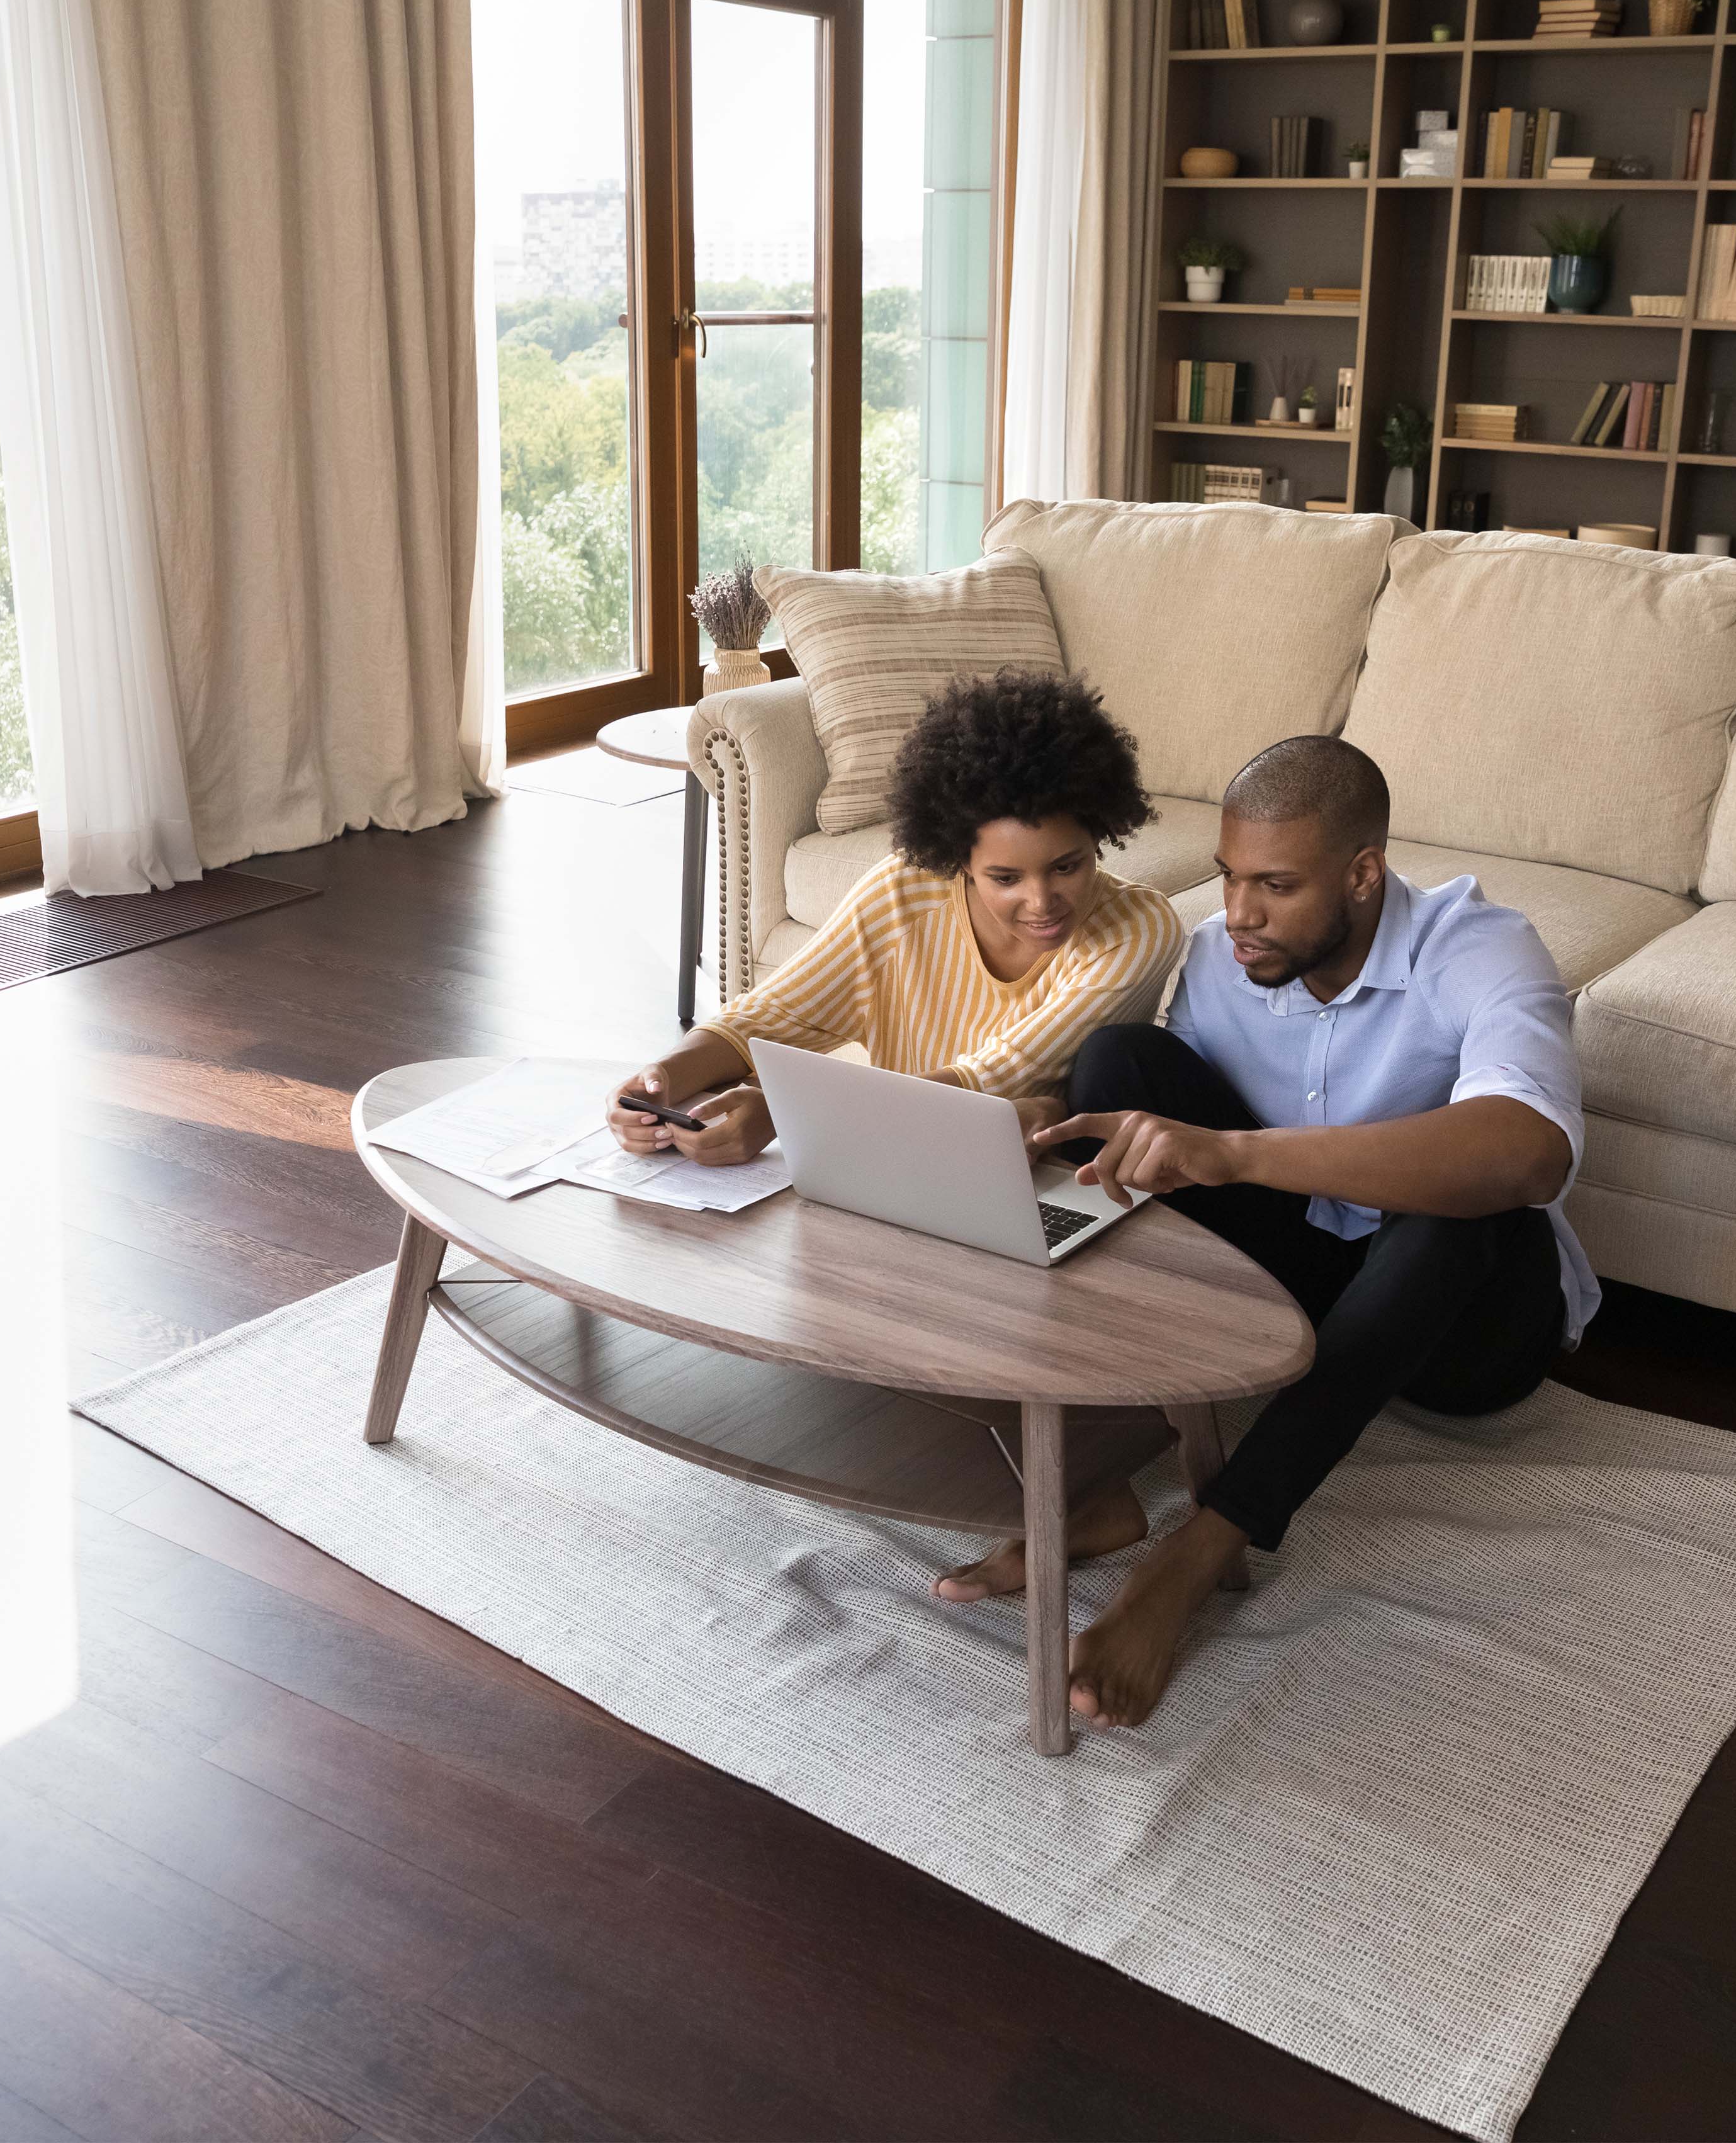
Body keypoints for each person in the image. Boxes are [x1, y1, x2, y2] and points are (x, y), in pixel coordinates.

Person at [947, 734, 1597, 1729]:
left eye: (1275, 886)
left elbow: (1526, 1156)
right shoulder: (1224, 955)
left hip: (1471, 1333)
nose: (1237, 915)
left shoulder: (1477, 949)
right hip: (1306, 1274)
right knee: (1121, 1066)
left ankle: (1197, 1553)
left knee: (1450, 1222)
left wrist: (1236, 1157)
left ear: (1364, 875)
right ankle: (1100, 1473)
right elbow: (1170, 1136)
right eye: (1228, 879)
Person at [607, 667, 1183, 1170]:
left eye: (1067, 866)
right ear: (960, 859)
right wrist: (660, 1078)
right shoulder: (905, 892)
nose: (1042, 901)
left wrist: (788, 1114)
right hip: (880, 1161)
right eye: (1005, 879)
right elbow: (773, 1014)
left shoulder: (1136, 930)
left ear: (1101, 834)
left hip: (1030, 1183)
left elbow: (992, 1077)